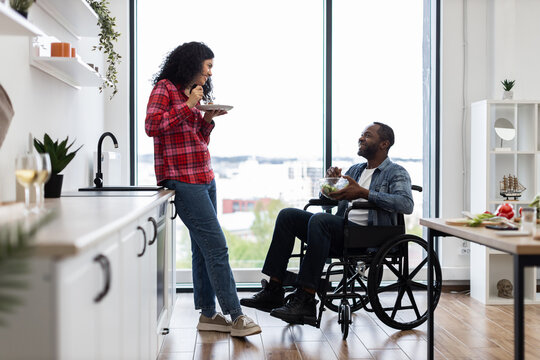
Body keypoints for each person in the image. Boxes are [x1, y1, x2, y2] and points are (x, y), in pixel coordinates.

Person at [240, 122, 413, 325]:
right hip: (342, 230)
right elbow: (329, 203)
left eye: (367, 135)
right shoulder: (355, 170)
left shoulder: (395, 172)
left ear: (384, 144)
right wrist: (328, 185)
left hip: (370, 235)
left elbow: (406, 203)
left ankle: (305, 297)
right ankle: (274, 289)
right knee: (287, 216)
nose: (361, 138)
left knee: (320, 221)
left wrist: (363, 193)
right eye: (361, 134)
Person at [145, 41, 261, 337]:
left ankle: (208, 315)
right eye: (207, 66)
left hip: (205, 177)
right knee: (217, 246)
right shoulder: (165, 89)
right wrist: (188, 107)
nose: (209, 73)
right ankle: (236, 315)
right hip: (182, 180)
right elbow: (152, 126)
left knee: (202, 247)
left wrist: (206, 119)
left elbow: (198, 140)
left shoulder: (192, 94)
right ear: (193, 64)